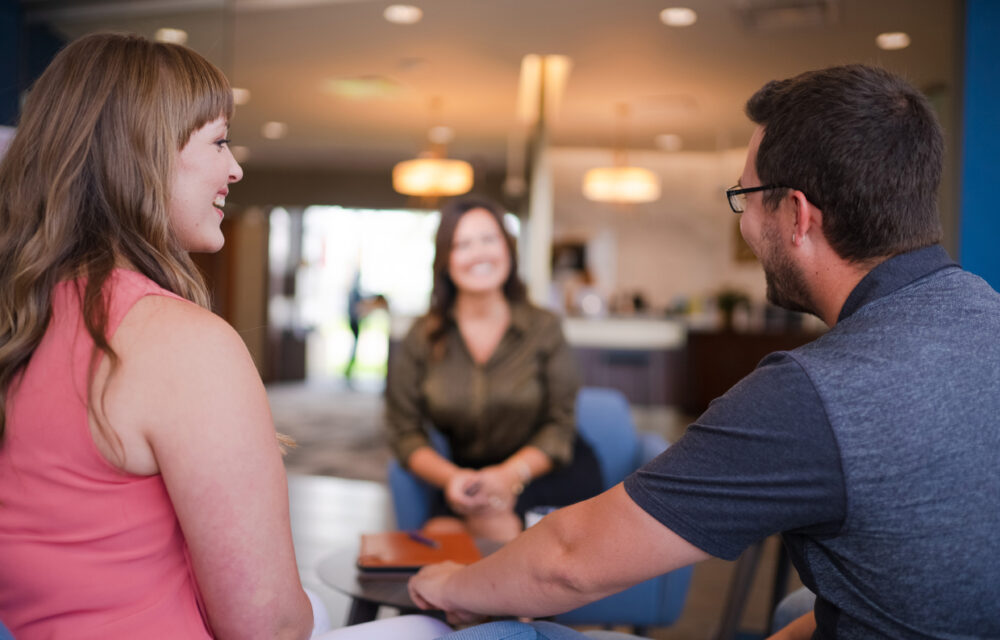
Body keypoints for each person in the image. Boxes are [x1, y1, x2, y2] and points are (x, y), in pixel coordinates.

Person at [408, 65, 1000, 639]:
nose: (743, 223)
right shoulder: (985, 311)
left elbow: (570, 558)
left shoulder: (814, 392)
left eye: (744, 196)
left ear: (796, 215)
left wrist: (453, 585)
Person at [0, 33, 313, 639]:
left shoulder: (21, 318)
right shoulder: (181, 342)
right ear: (141, 154)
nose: (236, 167)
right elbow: (269, 627)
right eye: (219, 142)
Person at [385, 196, 603, 543]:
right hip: (468, 477)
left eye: (489, 239)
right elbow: (403, 431)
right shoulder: (422, 337)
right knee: (440, 536)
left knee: (490, 530)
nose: (479, 254)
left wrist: (508, 475)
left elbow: (560, 426)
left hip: (545, 472)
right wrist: (451, 479)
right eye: (462, 244)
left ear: (508, 249)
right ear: (445, 260)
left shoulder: (543, 328)